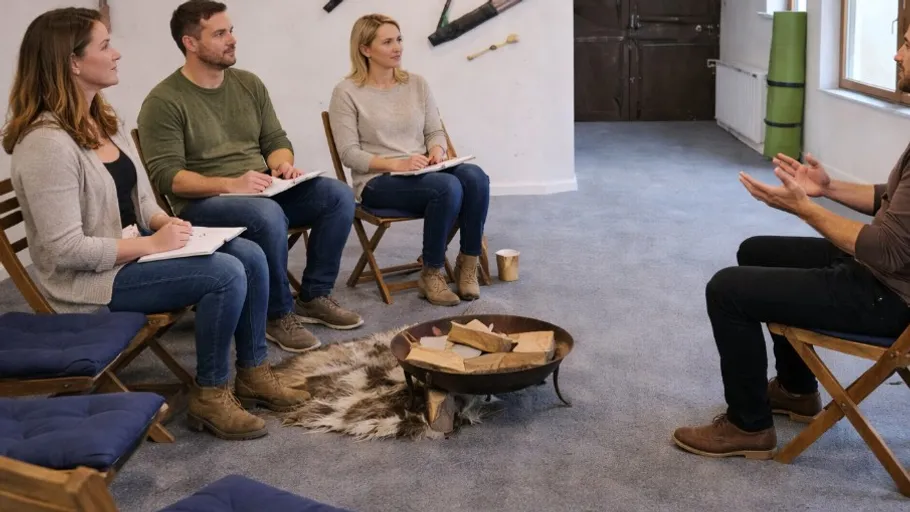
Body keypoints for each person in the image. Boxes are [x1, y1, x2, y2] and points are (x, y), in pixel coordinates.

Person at [3, 7, 310, 441]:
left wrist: (168, 224)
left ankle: (254, 371)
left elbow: (143, 200)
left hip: (134, 252)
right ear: (72, 62)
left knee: (250, 253)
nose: (117, 53)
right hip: (91, 281)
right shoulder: (45, 144)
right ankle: (210, 393)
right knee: (223, 275)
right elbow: (62, 251)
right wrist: (152, 246)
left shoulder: (103, 119)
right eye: (105, 45)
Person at [672, 27, 910, 459]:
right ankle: (797, 390)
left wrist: (804, 209)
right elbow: (892, 199)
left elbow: (887, 250)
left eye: (909, 46)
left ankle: (748, 426)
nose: (896, 54)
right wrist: (829, 187)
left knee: (727, 289)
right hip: (888, 275)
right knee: (756, 250)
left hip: (891, 296)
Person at [137, 1, 362, 354]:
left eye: (231, 31)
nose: (232, 39)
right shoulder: (163, 101)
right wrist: (231, 184)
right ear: (190, 43)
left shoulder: (248, 84)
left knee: (337, 195)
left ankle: (314, 295)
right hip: (203, 203)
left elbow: (275, 141)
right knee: (266, 215)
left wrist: (281, 164)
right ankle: (277, 314)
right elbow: (169, 179)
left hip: (261, 188)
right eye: (220, 34)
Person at [328, 14, 491, 307]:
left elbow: (434, 131)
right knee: (447, 188)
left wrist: (437, 153)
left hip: (424, 172)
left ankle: (468, 263)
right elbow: (349, 154)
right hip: (379, 182)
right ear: (365, 49)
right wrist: (396, 165)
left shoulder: (417, 84)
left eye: (399, 39)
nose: (397, 47)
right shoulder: (347, 92)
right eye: (387, 42)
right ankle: (431, 272)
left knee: (475, 178)